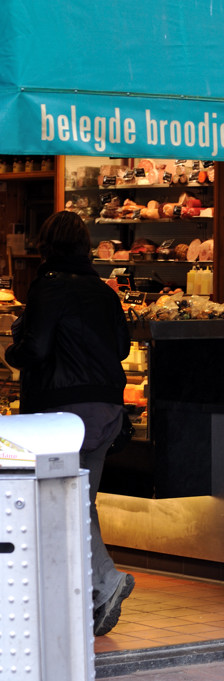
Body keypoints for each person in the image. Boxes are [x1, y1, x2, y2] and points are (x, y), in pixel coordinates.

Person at [5, 210, 134, 636]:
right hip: (107, 410)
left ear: (47, 245)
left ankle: (103, 580)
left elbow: (35, 349)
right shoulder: (104, 290)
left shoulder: (48, 287)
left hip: (61, 415)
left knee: (63, 502)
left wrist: (12, 352)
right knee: (81, 500)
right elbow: (120, 348)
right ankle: (88, 592)